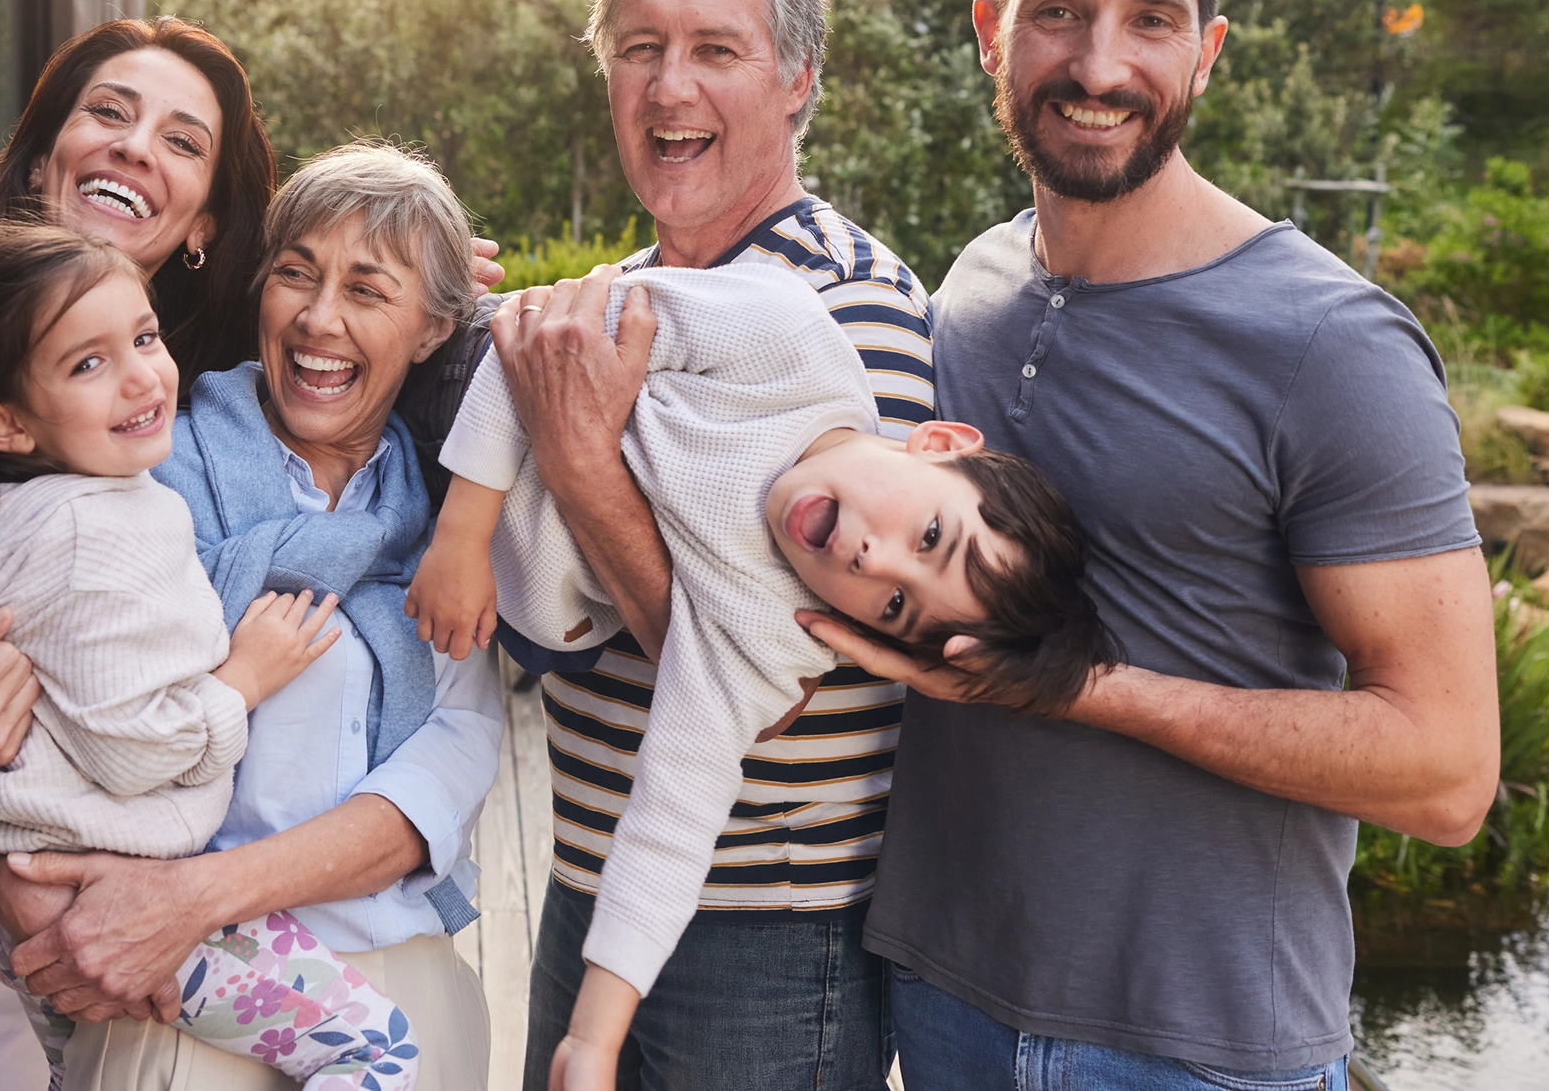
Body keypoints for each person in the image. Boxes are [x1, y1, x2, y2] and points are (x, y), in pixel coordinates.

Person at [0, 18, 500, 1088]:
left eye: (180, 140)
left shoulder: (185, 390)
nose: (131, 147)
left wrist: (443, 293)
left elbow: (356, 334)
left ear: (206, 223)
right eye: (107, 113)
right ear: (39, 148)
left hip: (38, 922)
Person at [798, 0, 1500, 1090]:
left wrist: (1088, 689)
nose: (1100, 65)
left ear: (1207, 53)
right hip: (939, 999)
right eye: (1057, 10)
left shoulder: (1330, 346)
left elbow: (1446, 773)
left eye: (1151, 22)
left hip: (1197, 1046)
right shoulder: (969, 287)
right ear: (989, 32)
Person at [408, 263, 1113, 1089]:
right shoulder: (785, 338)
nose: (872, 557)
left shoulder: (770, 639)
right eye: (929, 537)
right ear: (941, 444)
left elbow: (672, 824)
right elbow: (548, 333)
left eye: (893, 604)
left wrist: (595, 1041)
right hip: (461, 402)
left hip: (438, 540)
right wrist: (464, 532)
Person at [0, 143, 504, 1091]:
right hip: (162, 993)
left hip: (392, 976)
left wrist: (194, 897)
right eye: (295, 275)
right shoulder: (132, 470)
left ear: (435, 327)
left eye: (368, 290)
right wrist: (13, 878)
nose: (320, 319)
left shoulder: (448, 530)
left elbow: (446, 772)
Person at [488, 0, 935, 1091]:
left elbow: (770, 680)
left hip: (763, 933)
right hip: (594, 895)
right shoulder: (622, 289)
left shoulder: (849, 307)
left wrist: (580, 464)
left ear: (795, 80)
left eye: (713, 50)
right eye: (641, 49)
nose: (667, 87)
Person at [0, 222, 422, 1091]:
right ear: (2, 420)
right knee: (379, 1051)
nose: (143, 375)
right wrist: (242, 681)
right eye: (88, 364)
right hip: (107, 891)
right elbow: (134, 744)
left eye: (143, 338)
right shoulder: (101, 524)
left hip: (15, 887)